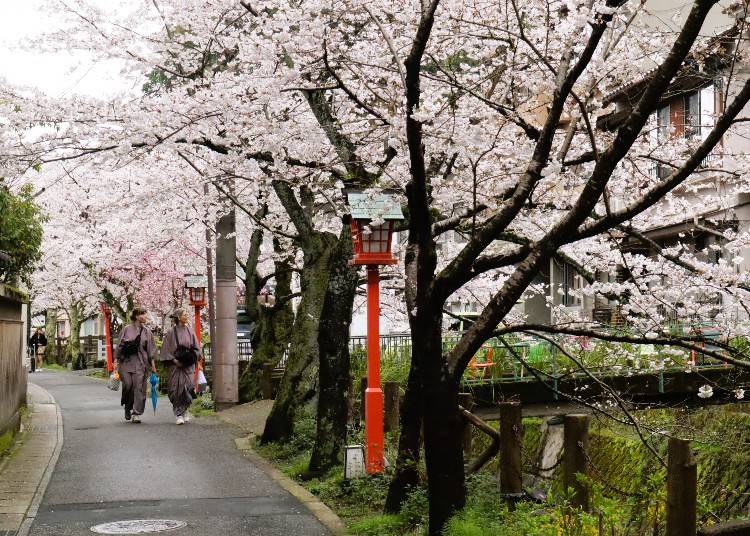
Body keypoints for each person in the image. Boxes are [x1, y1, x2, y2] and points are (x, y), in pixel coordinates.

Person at [114, 307, 157, 423]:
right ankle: (127, 406)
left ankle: (136, 412)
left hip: (140, 362)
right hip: (126, 362)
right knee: (128, 385)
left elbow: (151, 350)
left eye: (145, 314)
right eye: (143, 314)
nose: (145, 316)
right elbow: (119, 346)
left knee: (139, 387)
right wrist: (116, 361)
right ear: (136, 316)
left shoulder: (147, 332)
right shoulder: (126, 329)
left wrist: (153, 365)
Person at [160, 308, 202, 425]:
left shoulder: (190, 331)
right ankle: (178, 413)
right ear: (178, 317)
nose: (186, 316)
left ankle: (185, 410)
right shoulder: (170, 333)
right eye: (184, 314)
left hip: (188, 364)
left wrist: (195, 357)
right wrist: (174, 360)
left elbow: (196, 347)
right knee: (176, 389)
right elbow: (165, 350)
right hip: (175, 365)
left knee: (189, 386)